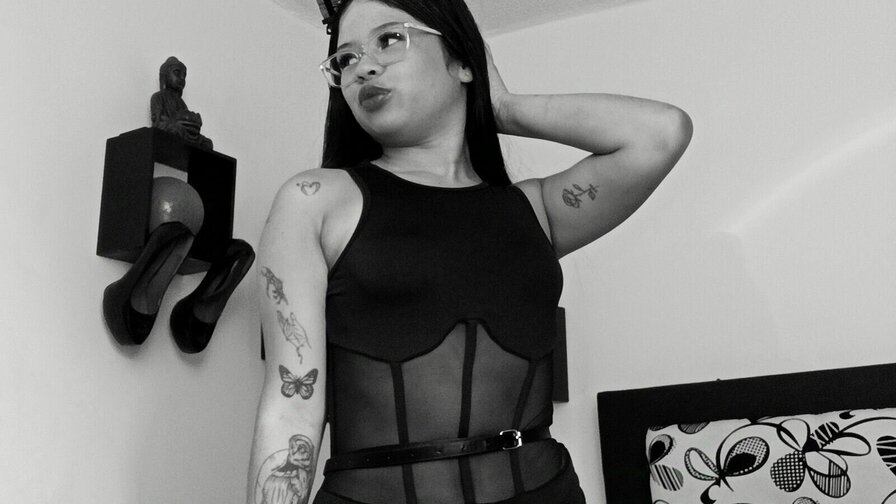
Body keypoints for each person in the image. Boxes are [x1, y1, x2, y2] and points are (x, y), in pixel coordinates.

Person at [247, 0, 692, 502]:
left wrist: (501, 106)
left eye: (389, 39)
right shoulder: (315, 200)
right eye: (345, 59)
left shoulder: (537, 210)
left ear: (461, 61)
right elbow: (291, 405)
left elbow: (661, 133)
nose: (363, 67)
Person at [150, 56, 213, 150]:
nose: (182, 78)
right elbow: (157, 123)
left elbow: (186, 120)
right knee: (176, 130)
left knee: (207, 143)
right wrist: (173, 123)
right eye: (177, 73)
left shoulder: (181, 102)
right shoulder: (158, 97)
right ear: (165, 75)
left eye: (184, 75)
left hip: (186, 133)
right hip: (175, 130)